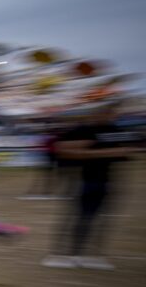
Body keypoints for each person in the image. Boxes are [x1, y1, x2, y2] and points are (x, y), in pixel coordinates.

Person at [42, 102, 140, 269]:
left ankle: (91, 255)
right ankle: (61, 254)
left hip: (107, 180)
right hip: (83, 180)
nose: (110, 115)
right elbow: (62, 149)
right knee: (77, 218)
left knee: (102, 219)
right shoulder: (83, 130)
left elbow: (127, 149)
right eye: (106, 112)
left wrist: (123, 151)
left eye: (112, 112)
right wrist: (103, 152)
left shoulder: (115, 131)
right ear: (95, 114)